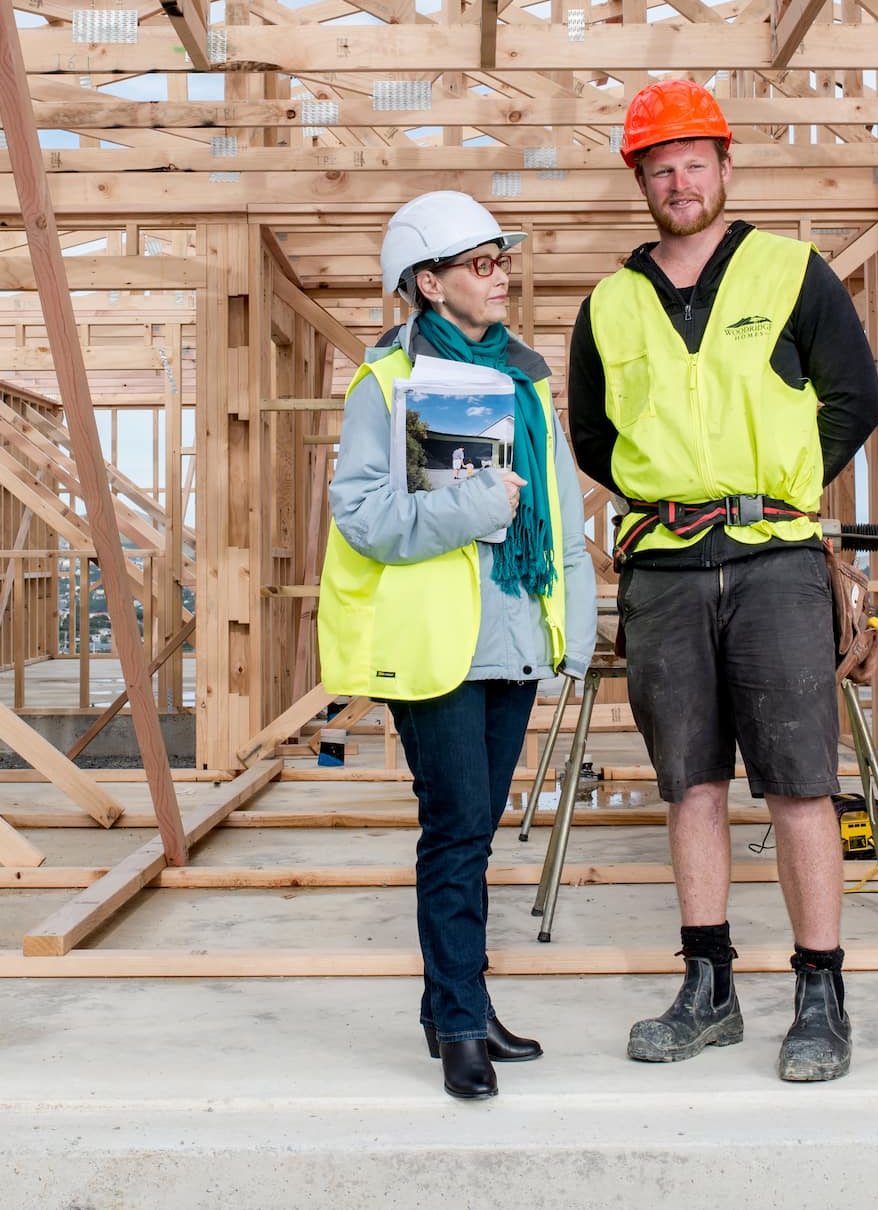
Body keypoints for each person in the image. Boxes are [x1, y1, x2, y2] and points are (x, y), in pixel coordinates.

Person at [567, 79, 878, 1083]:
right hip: (662, 568)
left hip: (775, 563)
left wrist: (779, 485)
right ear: (641, 180)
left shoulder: (792, 274)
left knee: (799, 785)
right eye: (659, 166)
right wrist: (668, 496)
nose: (678, 179)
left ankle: (819, 995)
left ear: (724, 165)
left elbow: (856, 398)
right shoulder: (609, 304)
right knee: (691, 786)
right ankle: (708, 988)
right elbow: (590, 434)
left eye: (694, 160)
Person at [319, 190, 598, 1101]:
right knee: (456, 830)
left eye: (502, 258)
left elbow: (556, 509)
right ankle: (459, 1027)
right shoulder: (386, 384)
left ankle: (462, 1007)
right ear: (430, 285)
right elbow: (363, 515)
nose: (501, 273)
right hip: (436, 647)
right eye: (481, 263)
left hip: (513, 636)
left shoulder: (526, 378)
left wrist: (578, 615)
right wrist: (475, 508)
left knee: (474, 838)